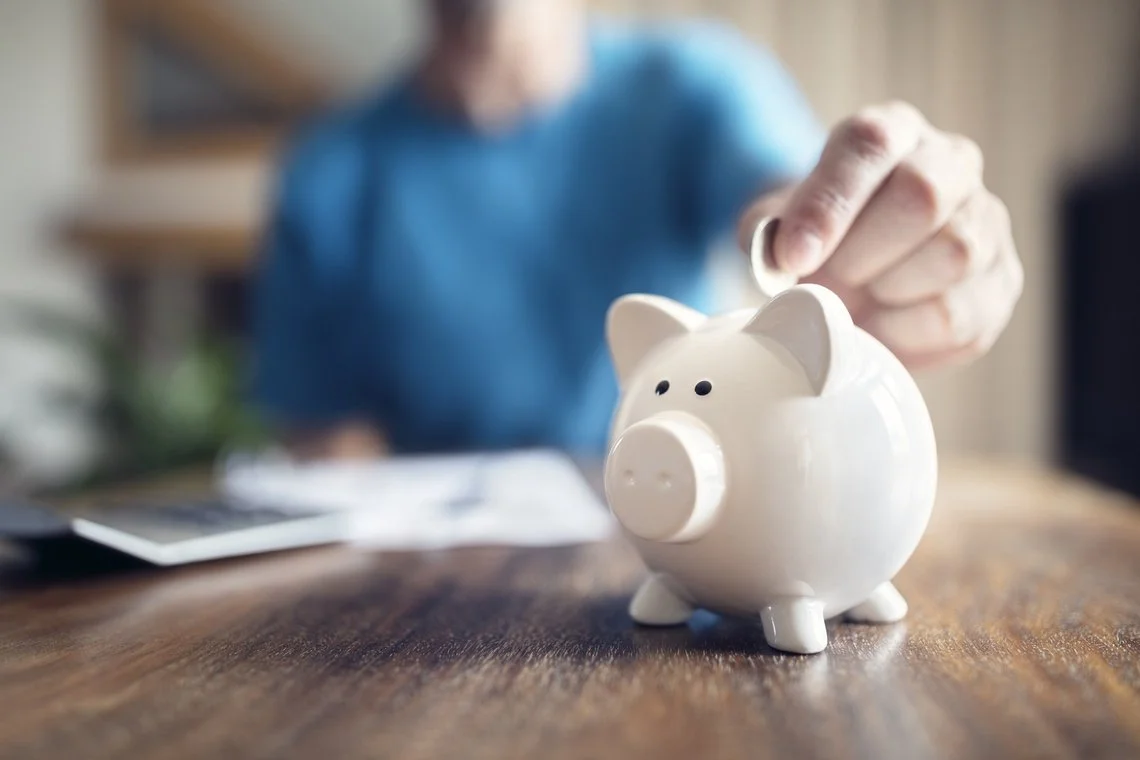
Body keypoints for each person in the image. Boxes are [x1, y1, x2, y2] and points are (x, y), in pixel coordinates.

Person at [251, 0, 1023, 461]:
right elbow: (324, 442)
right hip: (426, 610)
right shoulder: (326, 173)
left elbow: (778, 201)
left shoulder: (692, 85)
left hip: (677, 524)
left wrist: (851, 230)